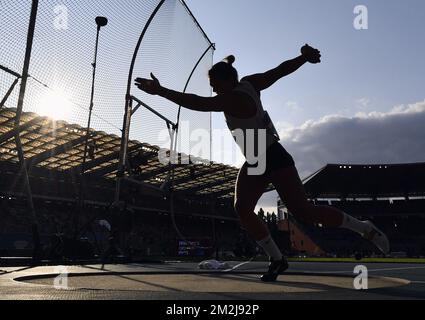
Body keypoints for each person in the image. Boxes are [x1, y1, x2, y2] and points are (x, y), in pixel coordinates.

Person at [135, 44, 390, 282]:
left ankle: (364, 228)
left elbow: (199, 103)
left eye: (214, 84)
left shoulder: (233, 99)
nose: (213, 89)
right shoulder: (249, 83)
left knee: (305, 213)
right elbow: (278, 72)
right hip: (256, 159)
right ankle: (277, 259)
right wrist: (303, 58)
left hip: (273, 156)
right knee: (243, 208)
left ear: (226, 81)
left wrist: (161, 91)